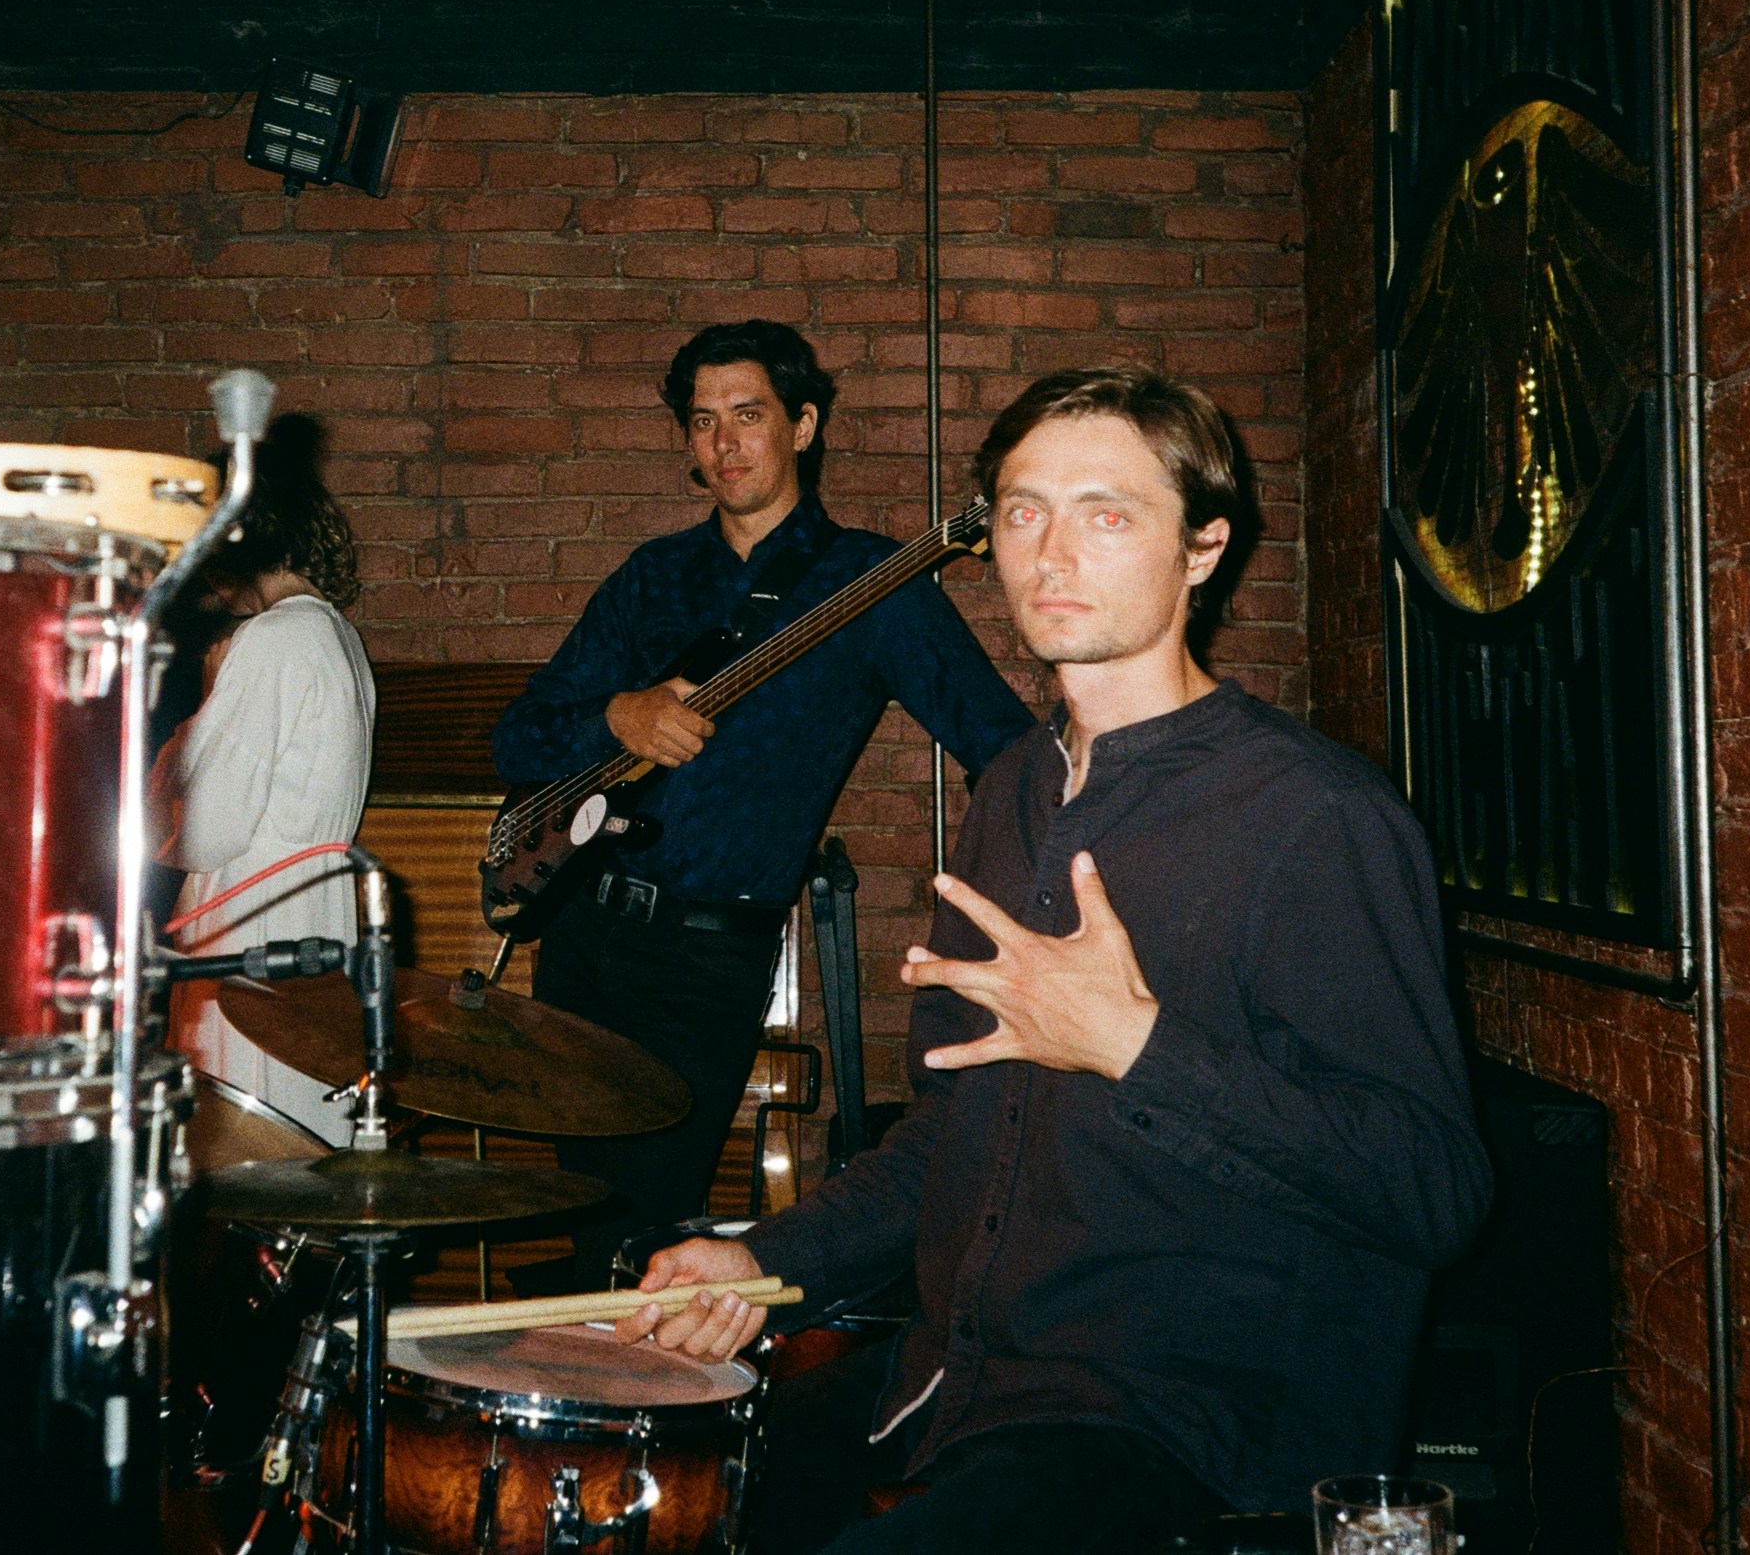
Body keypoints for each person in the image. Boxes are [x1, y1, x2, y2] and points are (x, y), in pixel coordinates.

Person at [621, 368, 1493, 1552]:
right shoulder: (1017, 791)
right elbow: (953, 1128)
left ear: (1203, 546)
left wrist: (1136, 1046)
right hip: (960, 1373)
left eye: (1108, 511)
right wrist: (759, 1259)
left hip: (1177, 1425)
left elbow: (1431, 1187)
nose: (1052, 551)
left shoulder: (1313, 817)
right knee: (671, 1504)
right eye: (1023, 510)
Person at [490, 321, 1037, 1295]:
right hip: (580, 935)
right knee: (581, 1222)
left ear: (804, 423)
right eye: (702, 422)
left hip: (707, 956)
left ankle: (651, 1430)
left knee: (647, 1235)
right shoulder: (650, 577)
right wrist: (616, 713)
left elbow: (1002, 747)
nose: (724, 443)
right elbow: (519, 736)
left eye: (748, 415)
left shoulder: (879, 584)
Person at [165, 419, 377, 1146]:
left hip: (252, 939)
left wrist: (202, 704)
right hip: (313, 929)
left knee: (248, 1158)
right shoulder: (338, 636)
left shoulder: (272, 640)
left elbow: (205, 830)